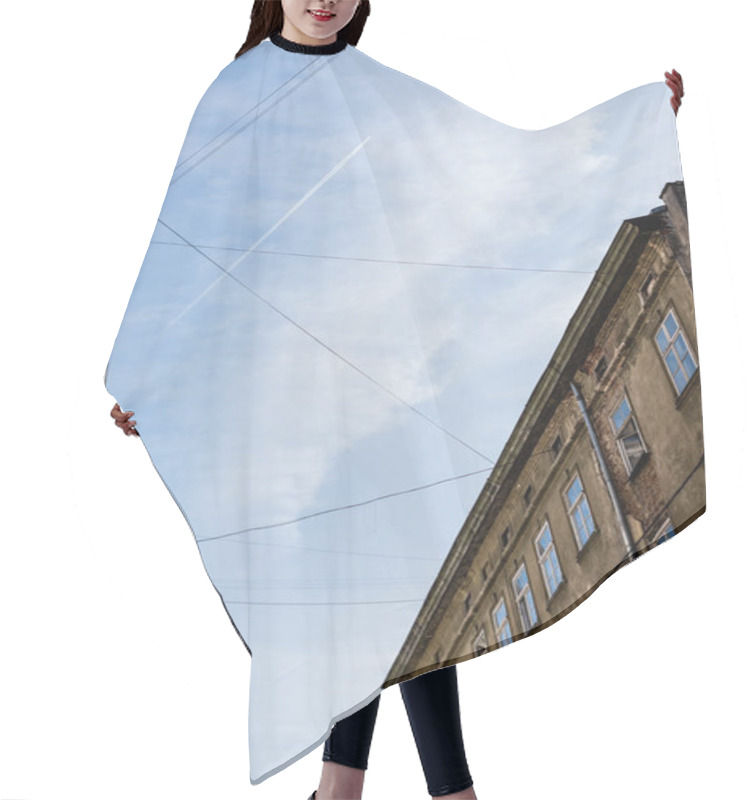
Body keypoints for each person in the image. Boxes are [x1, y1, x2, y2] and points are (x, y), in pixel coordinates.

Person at [111, 2, 685, 798]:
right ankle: (422, 791)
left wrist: (635, 131)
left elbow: (486, 175)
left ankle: (353, 789)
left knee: (403, 582)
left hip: (386, 384)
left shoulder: (374, 89)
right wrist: (149, 377)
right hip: (296, 406)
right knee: (374, 589)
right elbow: (193, 250)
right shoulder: (236, 95)